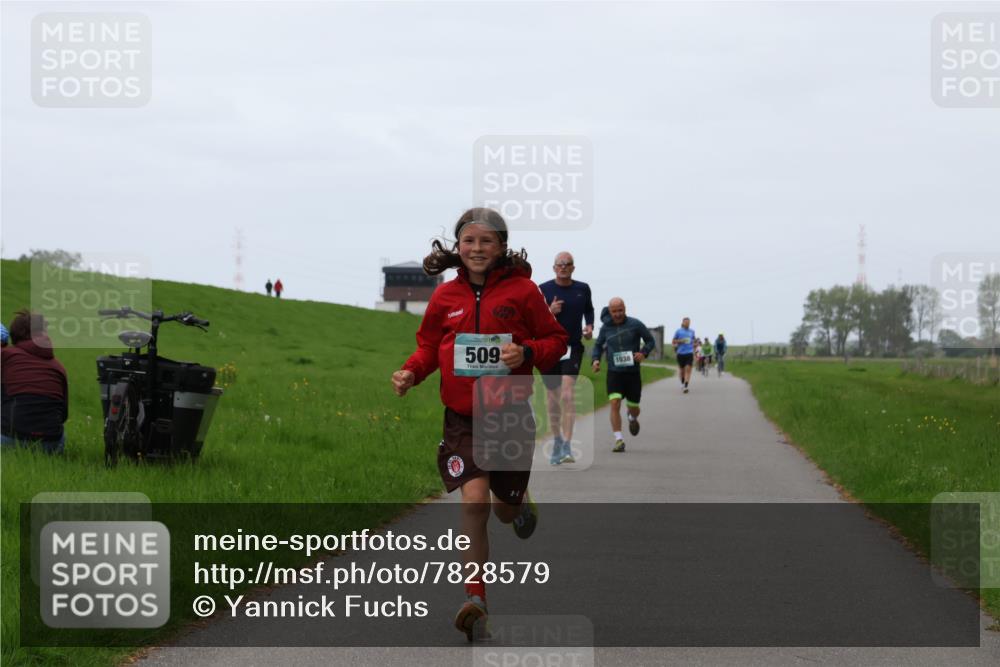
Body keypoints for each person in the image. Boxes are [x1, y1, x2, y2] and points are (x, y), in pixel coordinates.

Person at [391, 208, 567, 640]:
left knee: (504, 511)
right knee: (473, 503)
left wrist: (526, 352)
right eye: (469, 241)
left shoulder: (523, 291)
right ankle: (476, 599)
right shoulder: (445, 298)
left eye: (486, 241)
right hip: (463, 418)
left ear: (502, 246)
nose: (476, 249)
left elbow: (556, 340)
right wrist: (412, 372)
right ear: (458, 247)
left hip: (508, 416)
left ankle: (520, 503)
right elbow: (430, 346)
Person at [538, 251, 594, 465]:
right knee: (552, 399)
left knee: (568, 395)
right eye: (559, 264)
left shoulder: (582, 289)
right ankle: (557, 441)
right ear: (554, 268)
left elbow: (589, 310)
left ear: (573, 267)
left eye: (567, 264)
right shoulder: (544, 289)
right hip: (549, 348)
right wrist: (550, 311)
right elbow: (536, 317)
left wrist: (589, 327)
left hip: (573, 347)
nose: (563, 267)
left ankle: (568, 446)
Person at [591, 298, 655, 453]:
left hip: (632, 373)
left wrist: (643, 353)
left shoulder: (635, 324)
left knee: (634, 407)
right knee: (614, 403)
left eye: (620, 310)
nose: (617, 314)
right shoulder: (606, 328)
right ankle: (619, 439)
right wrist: (595, 360)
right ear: (610, 311)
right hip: (614, 372)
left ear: (625, 308)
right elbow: (598, 345)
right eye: (614, 311)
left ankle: (632, 418)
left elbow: (650, 341)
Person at [1, 310, 69, 455]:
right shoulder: (58, 367)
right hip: (51, 444)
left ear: (15, 335)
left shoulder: (6, 356)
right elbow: (63, 414)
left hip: (8, 439)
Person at [672, 317, 696, 393]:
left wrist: (695, 346)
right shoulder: (678, 331)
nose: (687, 323)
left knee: (688, 369)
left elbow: (693, 341)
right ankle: (682, 383)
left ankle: (686, 386)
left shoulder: (692, 331)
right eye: (686, 322)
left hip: (689, 353)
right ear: (683, 323)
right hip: (680, 353)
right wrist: (680, 341)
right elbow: (673, 341)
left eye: (688, 322)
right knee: (682, 371)